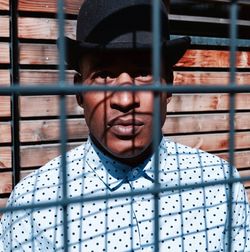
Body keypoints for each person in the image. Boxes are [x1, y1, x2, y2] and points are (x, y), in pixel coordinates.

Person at [0, 0, 249, 251]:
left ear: (168, 86)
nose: (125, 99)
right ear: (79, 91)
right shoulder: (34, 202)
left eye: (143, 73)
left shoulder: (220, 186)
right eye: (104, 75)